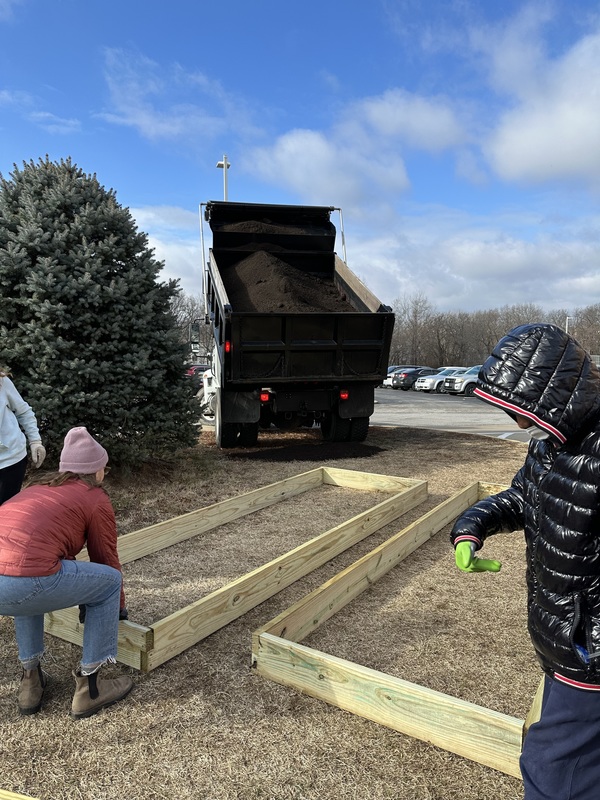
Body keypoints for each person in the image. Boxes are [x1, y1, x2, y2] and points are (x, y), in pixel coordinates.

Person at [450, 323, 600, 800]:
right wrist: (471, 528)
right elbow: (522, 496)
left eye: (516, 408)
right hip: (564, 640)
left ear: (549, 396)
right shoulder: (552, 442)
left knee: (552, 773)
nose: (515, 421)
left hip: (589, 652)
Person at [0, 426, 133, 719]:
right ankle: (91, 689)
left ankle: (30, 681)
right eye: (104, 468)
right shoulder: (95, 497)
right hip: (25, 580)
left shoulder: (37, 489)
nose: (104, 474)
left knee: (25, 576)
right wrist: (117, 608)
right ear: (97, 471)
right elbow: (105, 558)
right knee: (109, 582)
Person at [0, 367, 46, 504]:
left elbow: (23, 412)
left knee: (8, 512)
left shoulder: (2, 382)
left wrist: (35, 441)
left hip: (12, 459)